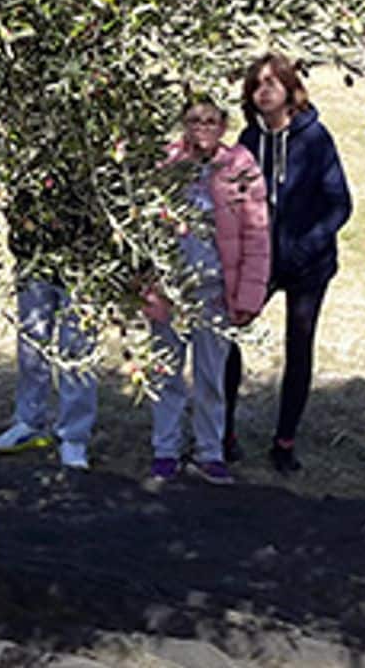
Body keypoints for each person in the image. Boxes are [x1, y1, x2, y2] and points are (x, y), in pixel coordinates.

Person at [226, 53, 352, 473]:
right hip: (257, 262)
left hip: (308, 264)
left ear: (290, 90)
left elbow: (340, 203)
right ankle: (224, 432)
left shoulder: (316, 139)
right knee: (230, 336)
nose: (263, 91)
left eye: (271, 83)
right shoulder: (247, 140)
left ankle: (284, 441)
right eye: (256, 84)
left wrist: (307, 244)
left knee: (299, 345)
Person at [141, 100, 270, 486]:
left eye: (210, 121)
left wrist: (249, 296)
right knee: (165, 372)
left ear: (224, 124)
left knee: (211, 375)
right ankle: (165, 449)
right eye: (194, 120)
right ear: (183, 123)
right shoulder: (165, 163)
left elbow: (257, 234)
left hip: (215, 290)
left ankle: (209, 451)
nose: (202, 128)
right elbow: (144, 227)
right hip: (169, 288)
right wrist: (144, 281)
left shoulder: (240, 166)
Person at [0, 179, 100, 470]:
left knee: (77, 349)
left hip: (83, 258)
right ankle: (28, 421)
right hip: (35, 256)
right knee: (31, 345)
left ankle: (74, 437)